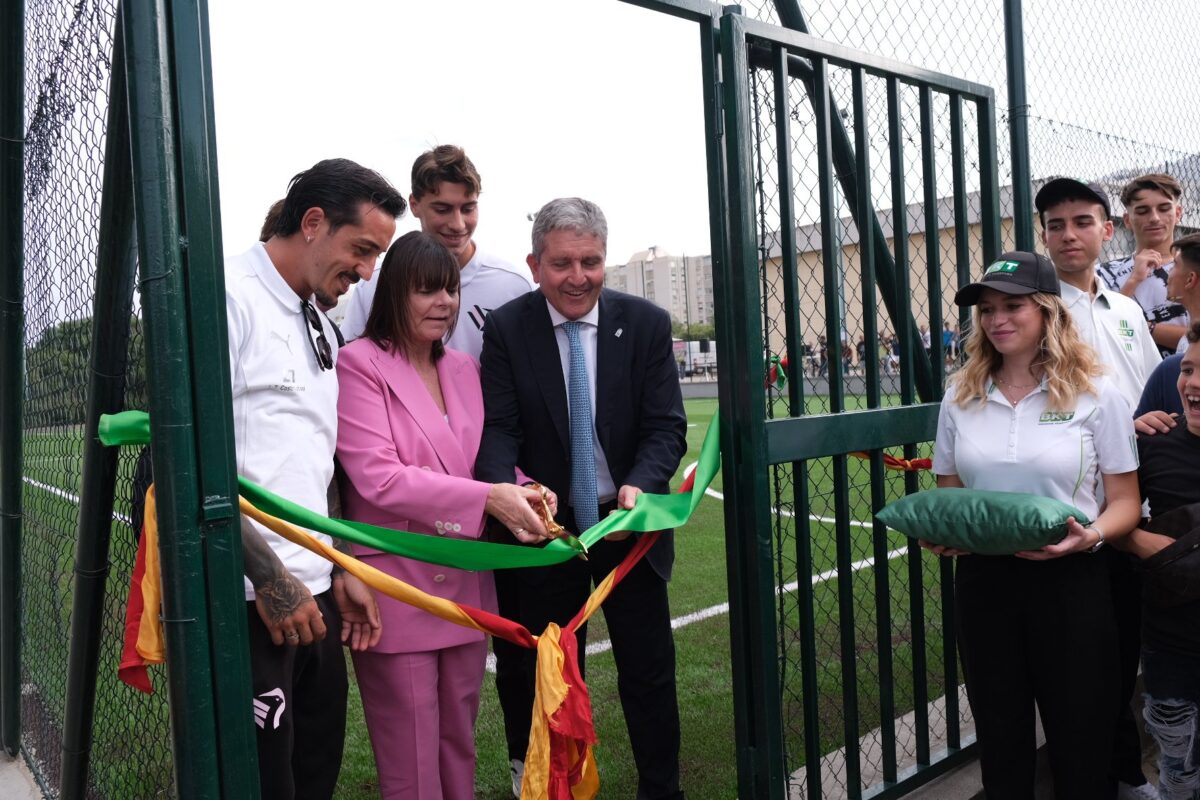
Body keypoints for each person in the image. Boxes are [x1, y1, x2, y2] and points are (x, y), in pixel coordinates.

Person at [475, 198, 688, 799]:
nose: (578, 277)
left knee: (648, 674)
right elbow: (500, 428)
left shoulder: (645, 323)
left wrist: (639, 489)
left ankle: (661, 791)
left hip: (628, 526)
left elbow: (665, 427)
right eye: (562, 263)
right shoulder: (509, 327)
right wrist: (512, 494)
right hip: (548, 533)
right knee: (546, 678)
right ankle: (548, 789)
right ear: (534, 264)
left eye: (590, 262)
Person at [334, 231, 552, 799]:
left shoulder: (461, 368)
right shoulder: (358, 364)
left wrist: (527, 490)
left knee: (459, 741)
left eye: (450, 290)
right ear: (393, 295)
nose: (444, 304)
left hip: (465, 583)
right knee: (409, 757)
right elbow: (377, 477)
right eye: (427, 292)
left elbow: (479, 462)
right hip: (397, 584)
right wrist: (488, 500)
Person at [924, 250, 1141, 798]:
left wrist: (1090, 536)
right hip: (984, 584)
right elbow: (951, 494)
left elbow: (1124, 503)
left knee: (1082, 739)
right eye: (988, 309)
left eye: (1013, 306)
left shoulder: (1098, 393)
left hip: (1073, 583)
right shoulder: (960, 397)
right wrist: (945, 534)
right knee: (1001, 739)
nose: (997, 319)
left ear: (1047, 311)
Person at [227, 158, 405, 798]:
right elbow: (188, 467)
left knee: (314, 777)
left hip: (315, 594)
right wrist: (272, 580)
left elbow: (314, 459)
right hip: (249, 603)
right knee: (262, 782)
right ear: (312, 223)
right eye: (361, 249)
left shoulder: (317, 318)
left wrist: (340, 565)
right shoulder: (227, 297)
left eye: (376, 256)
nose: (366, 272)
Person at [1035, 177, 1162, 797]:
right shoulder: (1036, 312)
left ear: (1107, 230)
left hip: (1138, 499)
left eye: (1082, 222)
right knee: (1089, 662)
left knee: (1134, 643)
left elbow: (1151, 392)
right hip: (1081, 507)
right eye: (1055, 225)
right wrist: (1120, 426)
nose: (1068, 235)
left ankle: (1126, 766)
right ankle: (1109, 774)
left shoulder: (1127, 309)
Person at [341, 145, 534, 358]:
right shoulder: (376, 283)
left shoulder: (514, 286)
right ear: (414, 204)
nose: (458, 224)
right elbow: (352, 360)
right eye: (442, 210)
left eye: (468, 209)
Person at [1117, 320, 1200, 799]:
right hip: (1173, 642)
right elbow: (1106, 509)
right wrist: (1137, 541)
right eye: (1187, 369)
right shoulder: (1154, 446)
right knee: (1178, 767)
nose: (1192, 383)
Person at [1098, 173, 1188, 355]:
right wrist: (1133, 281)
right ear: (1127, 220)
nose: (1154, 218)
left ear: (1178, 213)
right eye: (1142, 211)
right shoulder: (1104, 274)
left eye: (1164, 208)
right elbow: (1101, 330)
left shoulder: (1194, 267)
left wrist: (1145, 327)